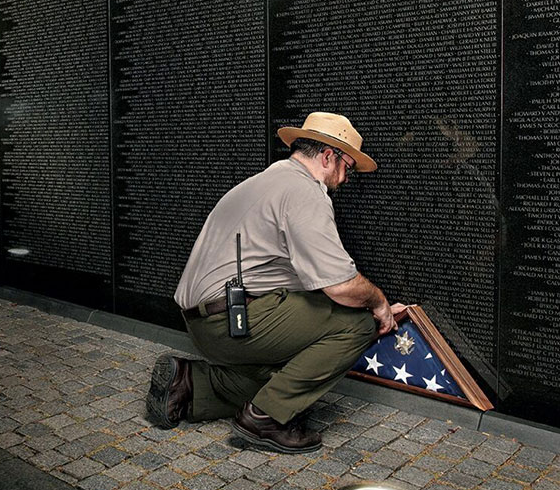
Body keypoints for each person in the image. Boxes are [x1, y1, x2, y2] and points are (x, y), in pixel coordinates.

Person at [146, 112, 404, 454]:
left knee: (282, 377)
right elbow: (341, 286)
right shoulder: (304, 191)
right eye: (347, 167)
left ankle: (188, 384)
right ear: (327, 156)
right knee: (356, 324)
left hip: (203, 322)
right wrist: (378, 304)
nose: (345, 178)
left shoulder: (264, 181)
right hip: (235, 320)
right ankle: (266, 419)